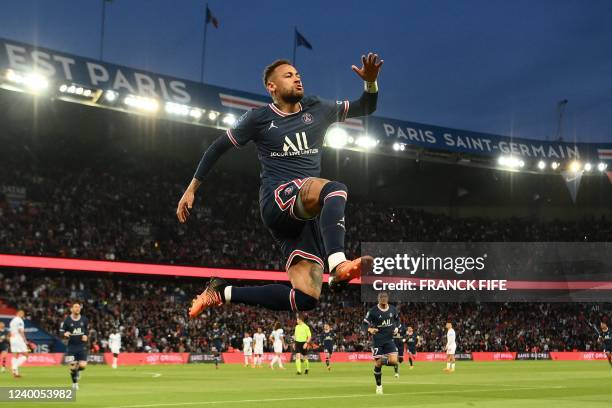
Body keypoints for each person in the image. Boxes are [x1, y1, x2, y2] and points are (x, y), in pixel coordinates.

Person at [180, 53, 383, 317]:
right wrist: (191, 188)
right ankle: (338, 264)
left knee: (306, 298)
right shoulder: (258, 118)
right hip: (277, 200)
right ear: (271, 87)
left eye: (298, 74)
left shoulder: (317, 108)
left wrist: (370, 83)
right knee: (335, 189)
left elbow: (365, 107)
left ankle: (221, 291)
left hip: (302, 216)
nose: (297, 78)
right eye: (288, 75)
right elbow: (217, 148)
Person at [362, 292, 399, 395]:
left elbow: (397, 320)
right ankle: (379, 386)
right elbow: (364, 324)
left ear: (387, 299)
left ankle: (379, 362)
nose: (383, 299)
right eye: (381, 298)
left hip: (389, 339)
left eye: (385, 297)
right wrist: (369, 329)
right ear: (378, 299)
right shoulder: (373, 311)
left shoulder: (393, 309)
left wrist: (396, 327)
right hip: (378, 340)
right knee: (378, 364)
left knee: (394, 361)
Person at [60, 303, 89, 389]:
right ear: (71, 309)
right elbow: (61, 332)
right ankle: (75, 383)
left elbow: (86, 330)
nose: (77, 308)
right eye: (75, 307)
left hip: (81, 346)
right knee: (72, 366)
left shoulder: (84, 319)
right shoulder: (67, 320)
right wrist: (65, 333)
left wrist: (86, 336)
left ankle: (78, 371)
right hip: (71, 347)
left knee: (83, 366)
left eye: (79, 307)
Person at [9, 310, 28, 378]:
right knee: (26, 355)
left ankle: (15, 373)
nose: (22, 314)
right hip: (18, 338)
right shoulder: (20, 320)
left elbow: (10, 331)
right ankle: (14, 367)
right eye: (22, 313)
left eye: (23, 313)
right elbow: (20, 331)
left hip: (12, 338)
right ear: (18, 313)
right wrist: (25, 340)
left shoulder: (12, 321)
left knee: (15, 355)